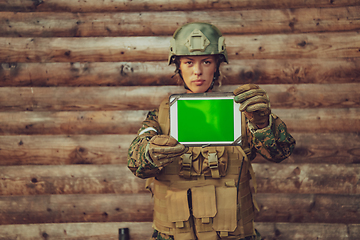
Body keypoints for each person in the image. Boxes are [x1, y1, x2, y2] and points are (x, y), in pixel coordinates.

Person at [127, 22, 295, 240]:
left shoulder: (243, 113)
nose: (198, 71)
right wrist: (150, 152)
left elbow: (281, 153)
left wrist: (263, 123)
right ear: (178, 66)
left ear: (217, 65)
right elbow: (136, 162)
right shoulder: (160, 117)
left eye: (206, 62)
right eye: (189, 62)